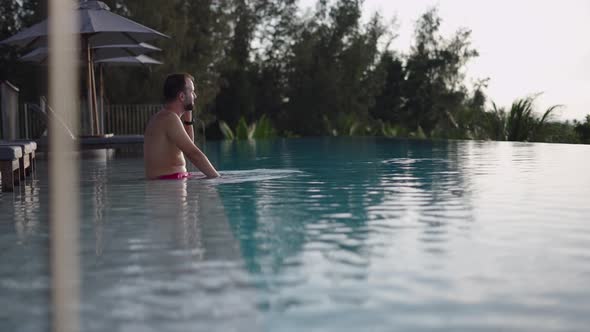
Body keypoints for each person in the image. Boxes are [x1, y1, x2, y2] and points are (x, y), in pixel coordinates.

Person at [144, 73, 220, 180]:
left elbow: (189, 146)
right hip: (169, 186)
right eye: (192, 92)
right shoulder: (169, 119)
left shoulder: (165, 117)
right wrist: (217, 178)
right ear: (182, 96)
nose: (195, 96)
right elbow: (194, 154)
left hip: (170, 182)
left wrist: (188, 116)